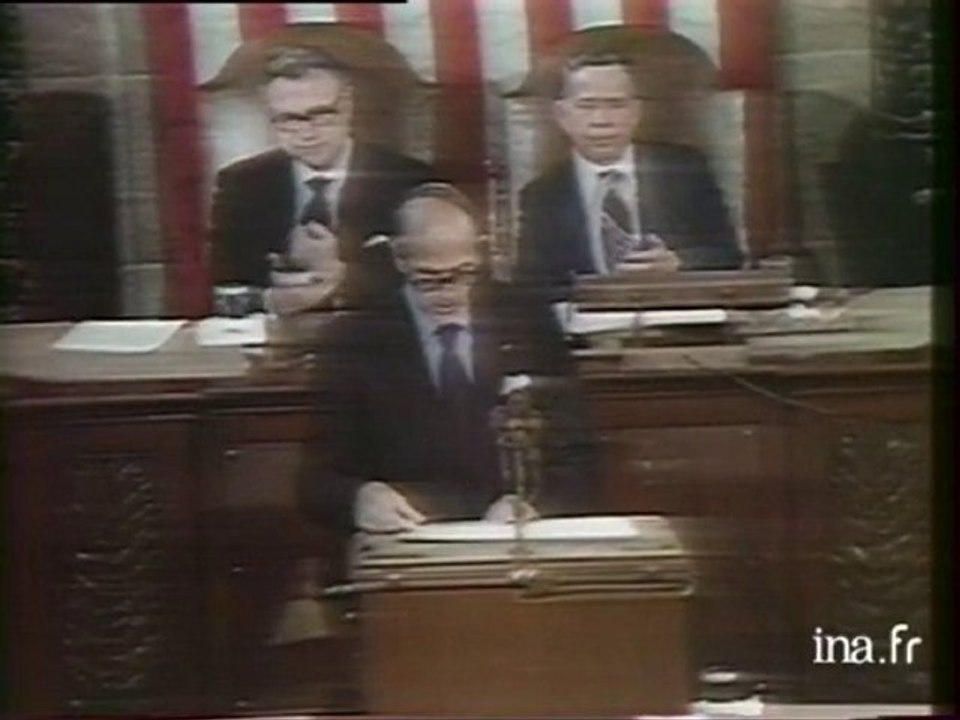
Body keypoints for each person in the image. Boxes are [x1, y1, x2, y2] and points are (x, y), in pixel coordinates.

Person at [297, 183, 596, 534]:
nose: (448, 292)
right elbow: (316, 480)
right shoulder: (353, 339)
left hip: (512, 538)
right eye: (428, 279)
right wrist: (359, 498)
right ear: (399, 258)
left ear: (480, 254)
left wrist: (535, 504)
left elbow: (580, 458)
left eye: (463, 274)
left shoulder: (527, 321)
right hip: (410, 540)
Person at [208, 45, 440, 313]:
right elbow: (226, 286)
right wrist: (277, 299)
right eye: (288, 119)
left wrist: (340, 276)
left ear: (347, 105)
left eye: (321, 115)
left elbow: (431, 284)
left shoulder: (408, 179)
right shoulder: (241, 183)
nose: (307, 133)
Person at [518, 52, 745, 302]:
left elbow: (729, 255)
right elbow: (532, 286)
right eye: (587, 106)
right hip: (589, 327)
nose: (602, 121)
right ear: (562, 115)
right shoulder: (542, 195)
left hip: (674, 316)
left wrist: (679, 263)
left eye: (616, 105)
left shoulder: (683, 170)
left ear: (636, 112)